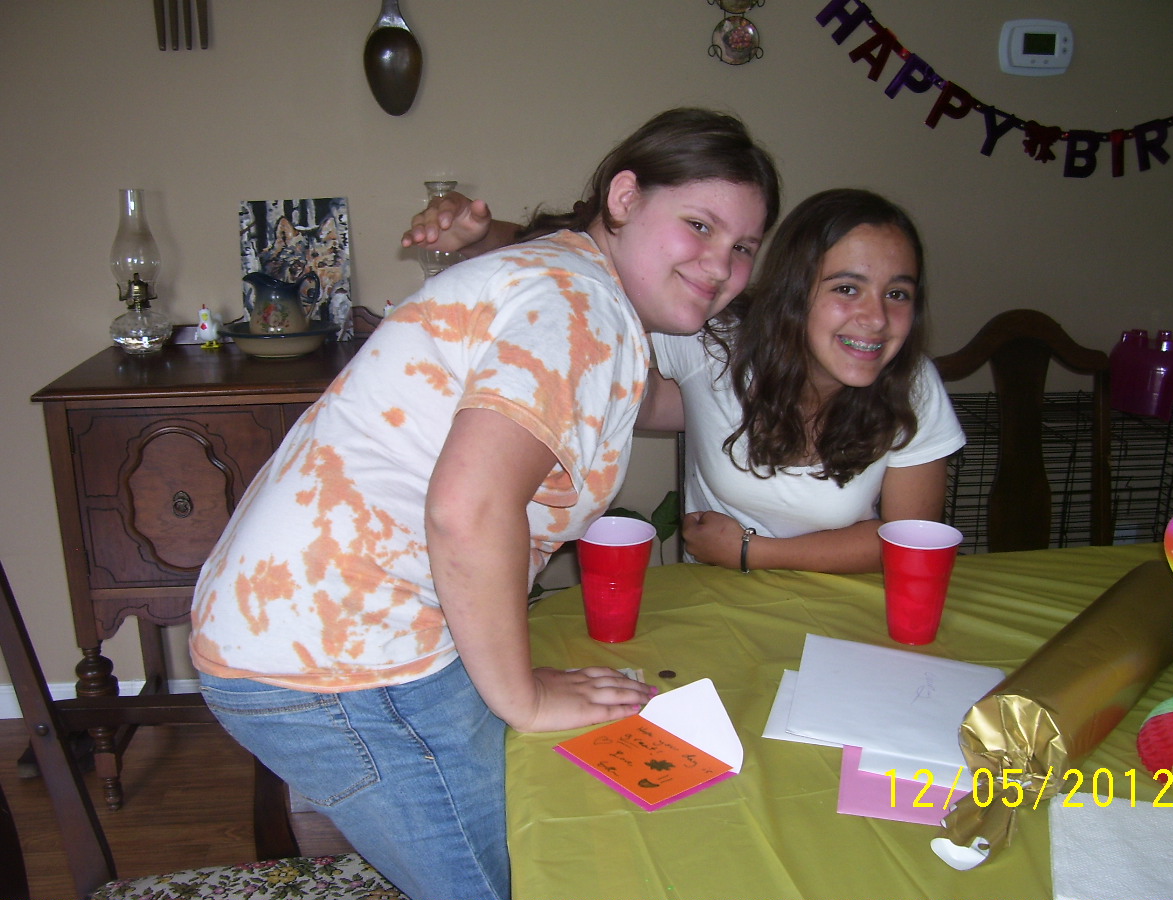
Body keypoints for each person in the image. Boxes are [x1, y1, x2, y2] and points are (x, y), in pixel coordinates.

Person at [189, 107, 780, 900]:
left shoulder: (568, 283)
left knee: (542, 821)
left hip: (313, 624)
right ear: (625, 197)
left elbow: (640, 404)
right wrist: (522, 696)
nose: (721, 264)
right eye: (700, 225)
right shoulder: (579, 306)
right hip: (345, 659)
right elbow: (467, 509)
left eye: (744, 247)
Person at [405, 188, 965, 574]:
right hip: (714, 606)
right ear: (796, 290)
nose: (876, 318)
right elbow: (602, 263)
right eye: (847, 288)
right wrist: (482, 237)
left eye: (898, 293)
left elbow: (910, 540)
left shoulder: (912, 382)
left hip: (847, 612)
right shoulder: (715, 344)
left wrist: (750, 552)